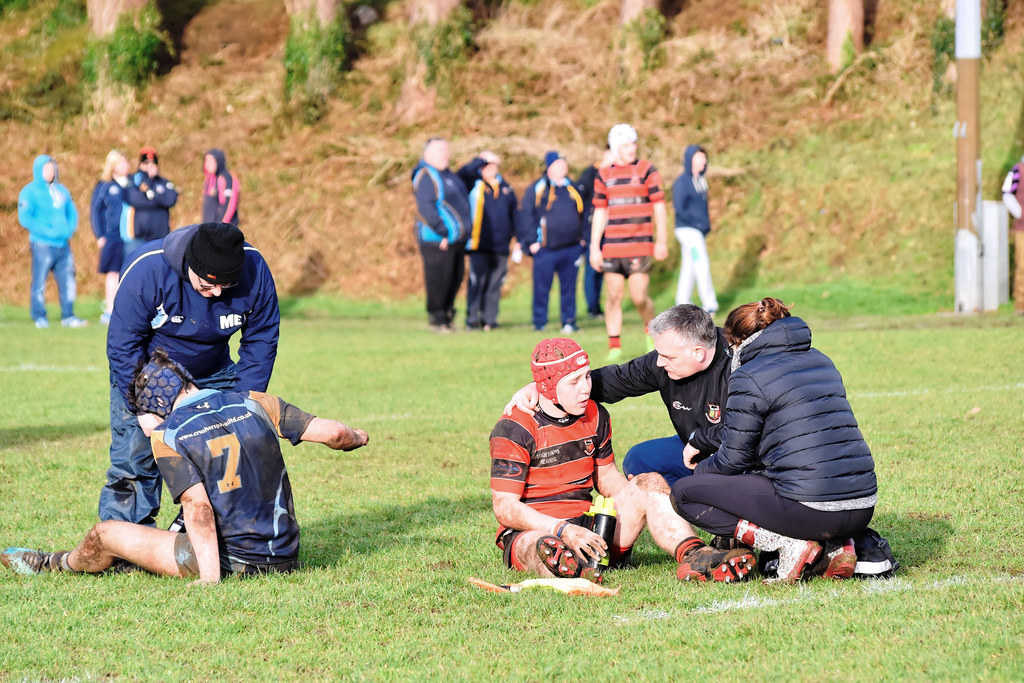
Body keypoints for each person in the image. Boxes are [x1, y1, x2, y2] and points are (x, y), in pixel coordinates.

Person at [1, 349, 368, 582]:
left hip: (236, 563)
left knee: (106, 533)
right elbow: (334, 433)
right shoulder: (256, 400)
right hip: (286, 554)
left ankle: (53, 563)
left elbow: (198, 507)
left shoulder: (168, 434)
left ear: (153, 409)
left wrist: (209, 577)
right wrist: (357, 436)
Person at [490, 338, 754, 584]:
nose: (586, 388)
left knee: (648, 482)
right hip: (538, 530)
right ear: (547, 388)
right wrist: (561, 530)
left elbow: (605, 477)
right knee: (539, 545)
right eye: (573, 382)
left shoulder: (595, 414)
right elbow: (505, 507)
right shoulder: (515, 428)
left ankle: (697, 556)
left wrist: (637, 497)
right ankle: (569, 565)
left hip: (589, 527)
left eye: (586, 376)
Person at [670, 298, 877, 583]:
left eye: (731, 347)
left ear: (740, 343)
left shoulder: (750, 375)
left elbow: (734, 458)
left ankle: (788, 544)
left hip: (811, 507)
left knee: (684, 493)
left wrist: (702, 474)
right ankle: (837, 545)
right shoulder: (822, 360)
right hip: (862, 505)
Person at [100, 222, 280, 528]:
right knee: (134, 461)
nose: (218, 293)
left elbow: (261, 338)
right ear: (191, 267)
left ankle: (202, 532)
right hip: (148, 370)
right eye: (208, 286)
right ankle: (126, 542)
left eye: (227, 285)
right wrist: (143, 406)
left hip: (213, 369)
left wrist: (243, 404)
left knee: (226, 454)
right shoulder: (149, 270)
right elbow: (123, 344)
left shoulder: (255, 270)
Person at [505, 305, 731, 488]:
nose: (659, 362)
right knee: (640, 460)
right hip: (695, 448)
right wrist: (547, 386)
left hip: (740, 454)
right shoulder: (662, 363)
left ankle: (727, 515)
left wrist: (704, 441)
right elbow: (617, 380)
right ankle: (687, 512)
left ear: (698, 353)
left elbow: (751, 430)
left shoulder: (742, 367)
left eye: (667, 356)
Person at [589, 124, 668, 360]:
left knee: (638, 297)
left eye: (633, 143)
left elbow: (659, 207)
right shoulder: (603, 175)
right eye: (625, 145)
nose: (631, 148)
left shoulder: (646, 170)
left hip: (640, 244)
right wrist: (595, 247)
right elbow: (600, 213)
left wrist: (661, 241)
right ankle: (615, 346)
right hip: (612, 246)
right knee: (613, 296)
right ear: (615, 148)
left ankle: (651, 334)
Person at [518, 151, 585, 333]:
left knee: (569, 288)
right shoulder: (538, 189)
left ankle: (569, 321)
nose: (563, 167)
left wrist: (583, 240)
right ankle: (539, 322)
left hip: (571, 248)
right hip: (545, 249)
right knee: (542, 287)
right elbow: (526, 215)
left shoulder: (573, 187)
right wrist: (531, 241)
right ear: (549, 167)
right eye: (558, 164)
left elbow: (585, 214)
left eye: (564, 163)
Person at [17, 154, 87, 328]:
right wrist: (47, 230)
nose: (50, 172)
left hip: (63, 245)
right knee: (40, 282)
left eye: (52, 168)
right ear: (38, 170)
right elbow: (25, 218)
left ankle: (68, 316)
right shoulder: (29, 191)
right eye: (46, 168)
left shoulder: (61, 191)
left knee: (68, 281)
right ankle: (39, 316)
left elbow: (72, 212)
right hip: (42, 244)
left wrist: (69, 229)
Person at [412, 137, 472, 332]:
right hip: (437, 239)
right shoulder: (426, 175)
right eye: (439, 150)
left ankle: (448, 316)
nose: (444, 154)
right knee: (439, 279)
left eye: (446, 150)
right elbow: (426, 207)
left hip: (456, 238)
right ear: (427, 153)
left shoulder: (449, 175)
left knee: (455, 278)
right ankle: (437, 319)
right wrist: (443, 231)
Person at [457, 150, 519, 331]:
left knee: (495, 283)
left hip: (500, 245)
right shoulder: (472, 184)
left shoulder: (506, 188)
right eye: (487, 166)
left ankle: (489, 319)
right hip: (478, 244)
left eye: (493, 165)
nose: (491, 169)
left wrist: (518, 238)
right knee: (477, 282)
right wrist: (481, 159)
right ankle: (472, 317)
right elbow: (464, 172)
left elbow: (515, 214)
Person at [672, 145, 718, 314]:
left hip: (698, 231)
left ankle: (682, 301)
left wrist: (705, 226)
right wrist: (697, 224)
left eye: (704, 158)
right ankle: (710, 302)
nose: (703, 162)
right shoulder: (682, 182)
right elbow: (679, 208)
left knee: (689, 265)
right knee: (701, 263)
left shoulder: (701, 181)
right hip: (687, 230)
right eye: (699, 158)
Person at [89, 150, 130, 324]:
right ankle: (110, 310)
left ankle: (128, 310)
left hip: (130, 236)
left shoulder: (133, 184)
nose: (125, 165)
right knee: (113, 273)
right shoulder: (105, 186)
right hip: (112, 236)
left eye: (126, 162)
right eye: (121, 162)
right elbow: (95, 211)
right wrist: (100, 235)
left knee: (129, 273)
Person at [575, 144, 614, 320]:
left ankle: (600, 305)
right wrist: (582, 232)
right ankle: (592, 307)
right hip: (592, 230)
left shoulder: (616, 173)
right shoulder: (590, 173)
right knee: (592, 270)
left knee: (604, 271)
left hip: (611, 231)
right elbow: (579, 205)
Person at [122, 145, 179, 262]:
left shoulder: (163, 182)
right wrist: (157, 200)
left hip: (160, 237)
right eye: (146, 163)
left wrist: (150, 194)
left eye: (153, 163)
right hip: (138, 238)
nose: (150, 167)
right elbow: (134, 199)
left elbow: (171, 199)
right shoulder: (133, 181)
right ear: (140, 165)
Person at [1000, 156, 1024, 314]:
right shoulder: (1018, 170)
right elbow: (1007, 193)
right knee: (1022, 266)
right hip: (1022, 228)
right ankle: (1021, 304)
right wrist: (1019, 213)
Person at [202, 148, 240, 226]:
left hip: (224, 230)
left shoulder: (226, 179)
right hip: (210, 229)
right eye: (206, 161)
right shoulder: (208, 180)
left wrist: (220, 228)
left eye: (211, 161)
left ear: (218, 161)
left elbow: (229, 206)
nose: (208, 164)